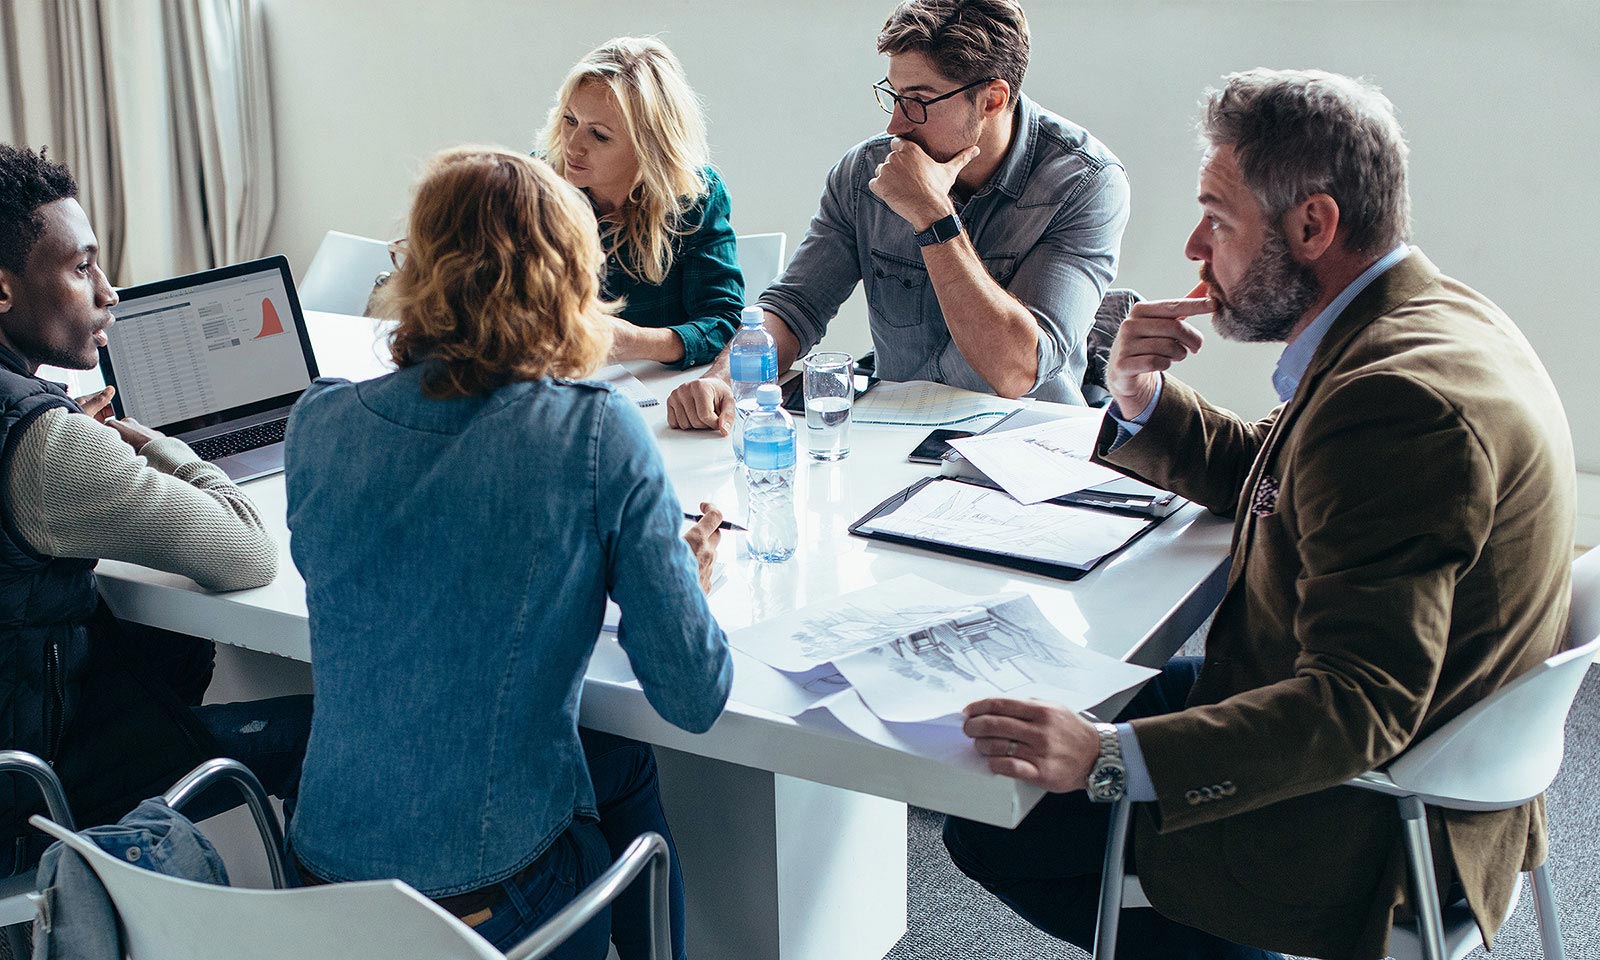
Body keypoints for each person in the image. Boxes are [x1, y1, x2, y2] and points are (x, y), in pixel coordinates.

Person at [945, 69, 1575, 960]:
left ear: (1313, 225)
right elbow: (1280, 474)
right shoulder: (1422, 318)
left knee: (993, 821)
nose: (1197, 246)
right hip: (1422, 744)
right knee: (1031, 720)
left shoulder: (1394, 404)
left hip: (1369, 820)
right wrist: (1137, 397)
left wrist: (1110, 758)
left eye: (1220, 217)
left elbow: (1358, 706)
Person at [284, 146, 732, 960]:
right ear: (572, 279)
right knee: (618, 765)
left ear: (413, 267)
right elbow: (693, 696)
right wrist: (680, 580)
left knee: (611, 757)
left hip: (319, 882)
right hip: (494, 905)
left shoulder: (319, 420)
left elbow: (385, 585)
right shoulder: (595, 433)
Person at [0, 144, 311, 874]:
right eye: (81, 269)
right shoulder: (47, 447)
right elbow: (245, 553)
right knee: (333, 731)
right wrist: (163, 448)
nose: (110, 294)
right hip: (32, 780)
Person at [667, 0, 1129, 431]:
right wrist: (724, 379)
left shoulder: (1086, 183)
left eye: (918, 100)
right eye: (894, 94)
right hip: (896, 434)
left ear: (991, 99)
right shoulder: (864, 173)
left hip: (1024, 447)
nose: (895, 124)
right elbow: (795, 307)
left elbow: (1018, 370)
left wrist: (933, 215)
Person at [539, 37, 744, 369]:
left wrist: (636, 342)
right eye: (569, 120)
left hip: (659, 393)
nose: (573, 147)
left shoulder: (695, 197)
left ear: (649, 146)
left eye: (599, 135)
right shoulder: (535, 186)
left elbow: (724, 322)